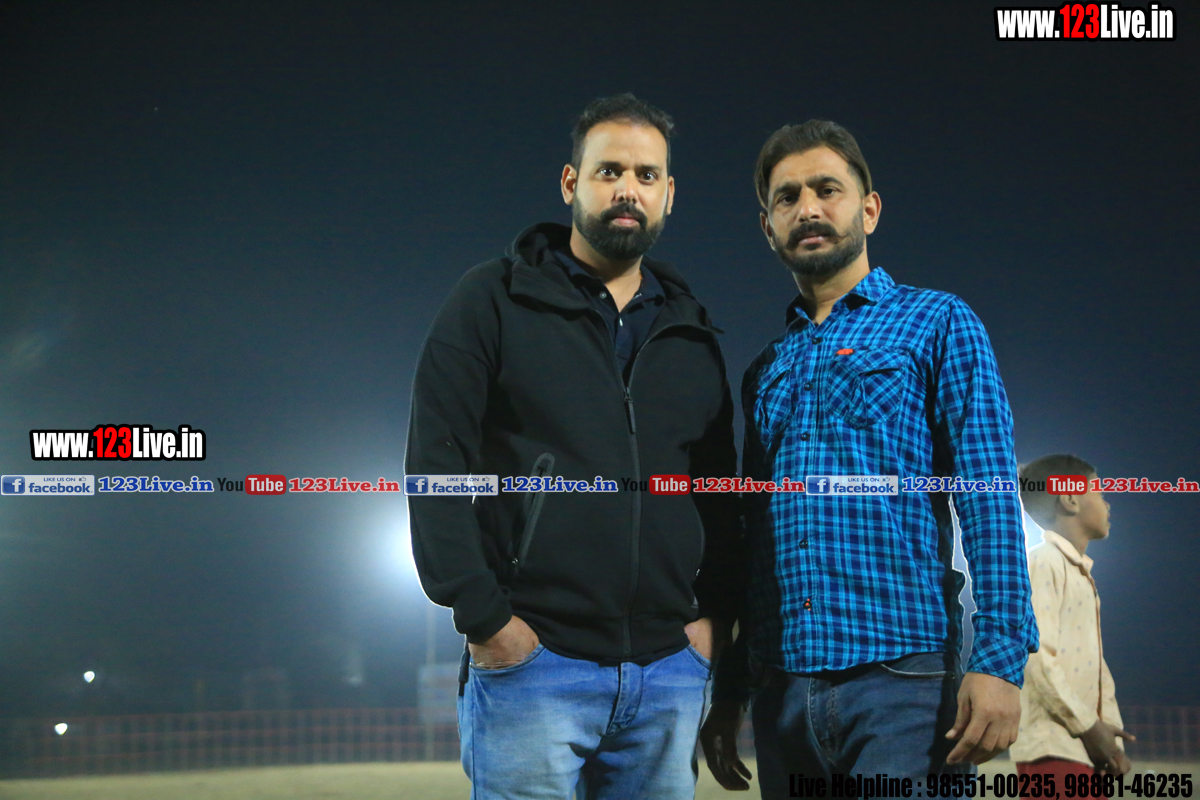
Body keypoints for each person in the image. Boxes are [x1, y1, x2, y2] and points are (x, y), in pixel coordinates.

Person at [405, 93, 742, 799]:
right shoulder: (492, 300)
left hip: (669, 672)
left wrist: (713, 620)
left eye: (647, 175)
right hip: (534, 663)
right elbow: (437, 464)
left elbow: (718, 493)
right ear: (570, 183)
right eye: (608, 170)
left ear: (669, 194)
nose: (628, 189)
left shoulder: (691, 332)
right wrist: (486, 619)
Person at [700, 120, 1039, 794]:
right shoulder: (764, 370)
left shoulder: (937, 322)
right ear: (768, 227)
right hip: (782, 690)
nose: (809, 208)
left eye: (827, 189)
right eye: (787, 197)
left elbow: (988, 493)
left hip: (904, 685)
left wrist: (1000, 658)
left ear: (870, 209)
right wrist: (732, 684)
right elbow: (750, 533)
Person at [1011, 454, 1133, 780]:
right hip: (1052, 748)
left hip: (1086, 748)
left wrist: (1111, 738)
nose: (1107, 504)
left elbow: (1097, 669)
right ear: (1070, 499)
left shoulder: (1081, 574)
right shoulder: (1044, 562)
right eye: (1100, 492)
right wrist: (1089, 728)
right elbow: (1035, 656)